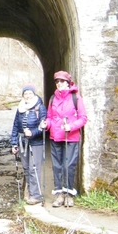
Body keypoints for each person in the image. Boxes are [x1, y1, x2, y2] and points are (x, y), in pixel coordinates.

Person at [41, 71, 88, 208]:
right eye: (57, 81)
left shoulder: (75, 97)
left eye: (62, 81)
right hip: (56, 136)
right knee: (57, 166)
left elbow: (83, 118)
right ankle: (59, 194)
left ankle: (69, 194)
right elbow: (49, 117)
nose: (59, 83)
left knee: (69, 166)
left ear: (68, 82)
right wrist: (46, 124)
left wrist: (71, 127)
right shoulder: (52, 99)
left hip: (71, 137)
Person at [10, 84, 48, 205]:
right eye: (25, 94)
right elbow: (15, 126)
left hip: (35, 142)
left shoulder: (40, 108)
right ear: (23, 96)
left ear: (34, 94)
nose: (28, 96)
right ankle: (29, 191)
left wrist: (32, 133)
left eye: (30, 93)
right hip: (22, 142)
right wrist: (14, 143)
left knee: (34, 168)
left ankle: (36, 195)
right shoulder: (20, 108)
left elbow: (43, 128)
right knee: (26, 167)